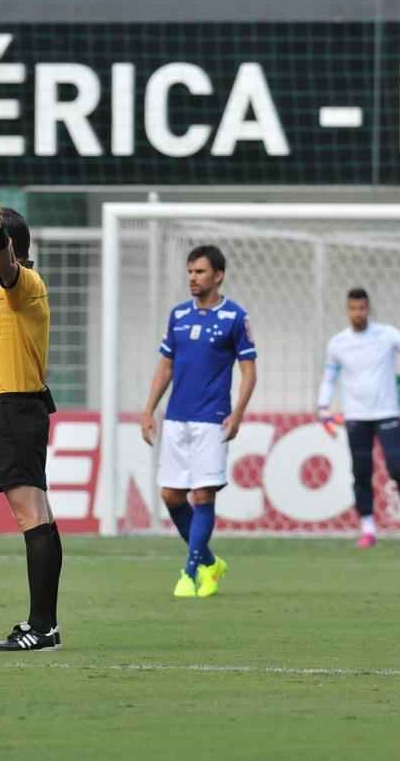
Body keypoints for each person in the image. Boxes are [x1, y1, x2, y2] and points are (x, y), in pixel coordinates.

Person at [0, 198, 61, 651]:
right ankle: (45, 625)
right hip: (11, 409)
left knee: (31, 517)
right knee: (40, 516)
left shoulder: (22, 284)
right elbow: (15, 357)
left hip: (19, 413)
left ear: (7, 246)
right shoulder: (11, 296)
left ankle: (42, 628)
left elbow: (6, 264)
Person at [141, 245, 257, 598]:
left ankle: (190, 572)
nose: (193, 278)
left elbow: (249, 372)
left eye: (200, 272)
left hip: (212, 419)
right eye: (190, 271)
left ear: (218, 275)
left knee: (203, 494)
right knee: (171, 494)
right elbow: (166, 366)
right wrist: (148, 409)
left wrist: (238, 413)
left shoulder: (235, 317)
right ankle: (210, 562)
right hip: (177, 418)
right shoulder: (178, 316)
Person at [316, 288, 400, 549]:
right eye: (353, 309)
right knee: (361, 472)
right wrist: (322, 408)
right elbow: (329, 378)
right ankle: (368, 529)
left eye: (362, 308)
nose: (358, 313)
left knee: (398, 467)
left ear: (368, 309)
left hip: (387, 413)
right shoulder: (337, 344)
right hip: (356, 416)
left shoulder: (386, 335)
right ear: (347, 310)